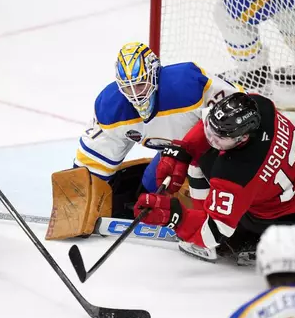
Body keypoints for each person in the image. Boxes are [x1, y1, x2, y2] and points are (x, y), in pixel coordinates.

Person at [131, 92, 295, 264]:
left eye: (220, 139)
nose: (211, 138)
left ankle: (230, 234)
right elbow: (212, 127)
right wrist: (183, 149)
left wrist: (176, 216)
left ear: (243, 138)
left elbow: (211, 232)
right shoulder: (260, 105)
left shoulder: (233, 174)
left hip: (273, 218)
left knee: (200, 162)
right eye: (212, 129)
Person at [74, 41, 243, 209]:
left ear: (155, 74)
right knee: (150, 183)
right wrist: (79, 199)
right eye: (127, 88)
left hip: (215, 149)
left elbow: (240, 110)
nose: (135, 95)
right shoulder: (111, 108)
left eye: (140, 84)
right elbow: (93, 163)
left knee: (203, 187)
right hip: (173, 154)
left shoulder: (187, 84)